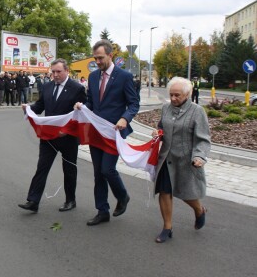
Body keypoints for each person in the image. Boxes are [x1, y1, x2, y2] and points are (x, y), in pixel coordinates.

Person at [74, 40, 140, 226]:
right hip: (97, 132)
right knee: (98, 173)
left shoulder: (124, 77)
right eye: (95, 58)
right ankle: (102, 210)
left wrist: (124, 118)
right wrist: (82, 107)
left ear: (110, 56)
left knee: (107, 169)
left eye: (100, 58)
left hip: (114, 132)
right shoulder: (93, 77)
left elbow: (134, 103)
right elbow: (91, 103)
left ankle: (122, 196)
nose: (97, 61)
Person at [18, 58, 87, 213]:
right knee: (42, 167)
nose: (55, 75)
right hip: (49, 136)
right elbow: (41, 105)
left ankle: (70, 200)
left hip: (68, 137)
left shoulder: (77, 88)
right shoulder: (48, 86)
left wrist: (67, 129)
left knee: (69, 170)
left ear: (67, 71)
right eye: (53, 72)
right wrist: (29, 109)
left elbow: (81, 114)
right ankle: (33, 201)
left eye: (58, 72)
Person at [151, 77, 210, 243]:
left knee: (186, 193)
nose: (173, 98)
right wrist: (158, 132)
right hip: (166, 158)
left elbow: (203, 138)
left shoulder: (197, 111)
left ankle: (199, 210)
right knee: (164, 191)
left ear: (187, 94)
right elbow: (162, 126)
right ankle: (167, 228)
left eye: (177, 95)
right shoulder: (166, 108)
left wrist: (199, 156)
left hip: (186, 160)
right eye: (171, 95)